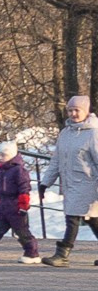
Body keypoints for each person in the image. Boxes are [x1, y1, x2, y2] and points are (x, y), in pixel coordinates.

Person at [40, 95, 98, 265]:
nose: (73, 114)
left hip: (88, 184)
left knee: (72, 218)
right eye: (70, 110)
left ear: (86, 111)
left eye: (77, 110)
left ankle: (62, 255)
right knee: (92, 220)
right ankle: (62, 255)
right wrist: (45, 182)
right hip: (70, 184)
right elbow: (56, 161)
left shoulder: (93, 133)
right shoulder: (65, 133)